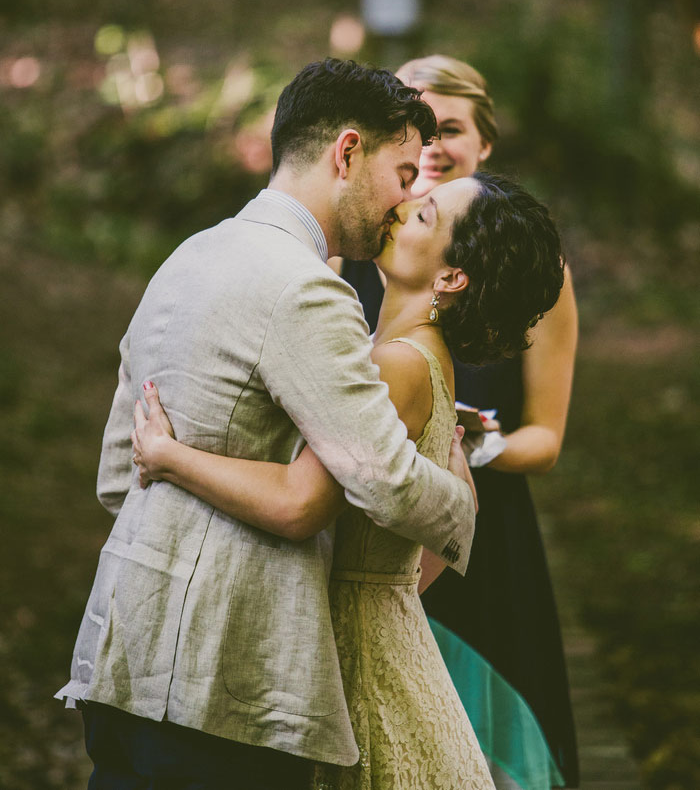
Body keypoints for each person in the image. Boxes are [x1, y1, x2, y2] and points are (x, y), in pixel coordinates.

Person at [56, 58, 481, 790]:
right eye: (403, 172)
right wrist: (462, 502)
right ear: (347, 152)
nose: (407, 197)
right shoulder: (308, 290)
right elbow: (374, 477)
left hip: (120, 653)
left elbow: (117, 476)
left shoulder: (185, 260)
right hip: (227, 681)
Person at [131, 172, 566, 790]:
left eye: (424, 215)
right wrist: (387, 584)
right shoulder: (409, 355)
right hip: (383, 629)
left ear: (451, 278)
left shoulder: (395, 367)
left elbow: (296, 498)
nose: (403, 205)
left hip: (351, 652)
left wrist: (168, 456)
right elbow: (438, 530)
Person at [342, 55, 579, 790]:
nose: (431, 144)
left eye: (449, 127)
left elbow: (547, 434)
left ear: (484, 145)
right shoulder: (359, 246)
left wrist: (471, 445)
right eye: (415, 128)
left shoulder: (530, 270)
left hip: (481, 531)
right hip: (384, 533)